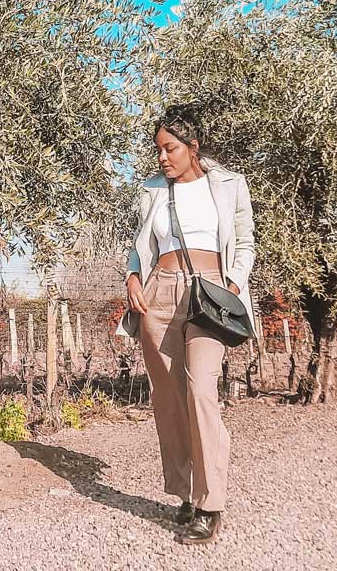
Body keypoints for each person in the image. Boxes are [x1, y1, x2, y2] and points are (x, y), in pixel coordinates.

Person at [117, 104, 256, 545]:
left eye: (170, 148)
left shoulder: (230, 185)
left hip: (212, 293)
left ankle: (211, 503)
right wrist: (133, 275)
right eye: (158, 149)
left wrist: (233, 282)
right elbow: (140, 245)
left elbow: (246, 242)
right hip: (160, 292)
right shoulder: (151, 189)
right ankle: (185, 493)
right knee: (170, 398)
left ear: (193, 147)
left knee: (200, 390)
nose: (162, 157)